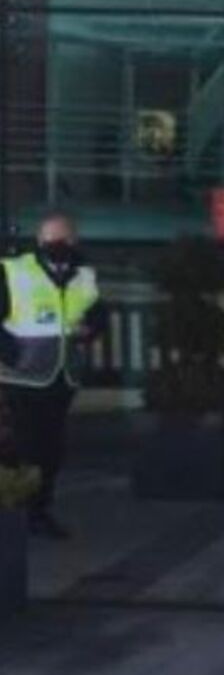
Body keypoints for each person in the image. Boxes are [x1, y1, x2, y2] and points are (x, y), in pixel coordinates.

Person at [0, 211, 105, 539]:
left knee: (50, 449)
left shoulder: (83, 275)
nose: (55, 244)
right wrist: (10, 353)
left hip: (62, 375)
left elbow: (97, 314)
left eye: (62, 239)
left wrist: (90, 330)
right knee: (22, 445)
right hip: (22, 376)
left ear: (73, 241)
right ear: (39, 240)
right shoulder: (15, 271)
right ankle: (19, 511)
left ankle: (38, 511)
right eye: (49, 239)